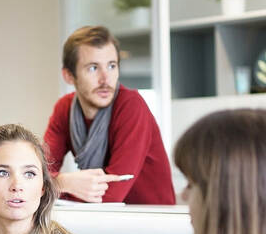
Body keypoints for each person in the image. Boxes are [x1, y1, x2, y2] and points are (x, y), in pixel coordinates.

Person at [43, 25, 174, 204]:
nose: (105, 79)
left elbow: (112, 194)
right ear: (69, 76)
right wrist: (63, 182)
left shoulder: (131, 105)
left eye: (112, 66)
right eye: (93, 68)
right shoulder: (64, 109)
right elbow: (37, 175)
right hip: (102, 220)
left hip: (151, 221)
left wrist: (55, 185)